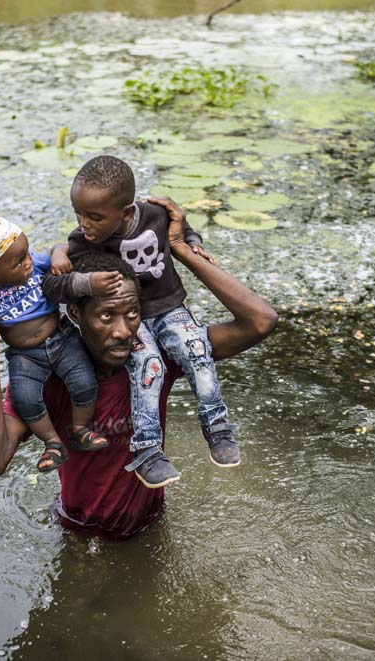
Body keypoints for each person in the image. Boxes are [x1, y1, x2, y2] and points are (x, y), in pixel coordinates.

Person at [0, 198, 277, 539]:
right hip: (80, 533)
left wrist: (180, 249)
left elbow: (260, 321)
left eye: (133, 314)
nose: (125, 331)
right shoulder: (52, 380)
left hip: (152, 525)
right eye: (107, 316)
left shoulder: (154, 364)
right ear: (77, 315)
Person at [46, 155, 237, 489]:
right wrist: (61, 256)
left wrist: (192, 244)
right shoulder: (82, 241)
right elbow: (53, 287)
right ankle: (147, 449)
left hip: (168, 307)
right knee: (150, 365)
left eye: (94, 217)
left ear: (127, 211)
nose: (84, 224)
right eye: (78, 215)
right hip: (132, 321)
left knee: (197, 349)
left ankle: (217, 428)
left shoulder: (155, 215)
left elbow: (186, 230)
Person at [0, 214, 116, 473]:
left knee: (84, 379)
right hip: (23, 355)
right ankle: (52, 442)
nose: (29, 262)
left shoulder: (38, 264)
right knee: (25, 398)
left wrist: (58, 257)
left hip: (61, 338)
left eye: (27, 254)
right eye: (19, 262)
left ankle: (81, 429)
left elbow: (58, 247)